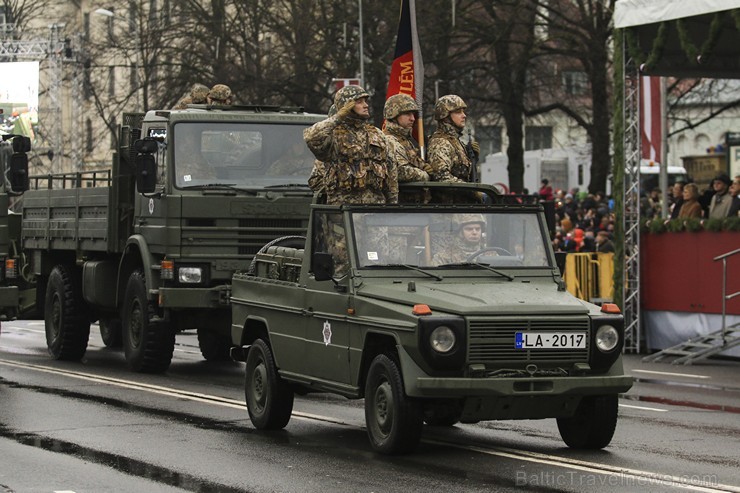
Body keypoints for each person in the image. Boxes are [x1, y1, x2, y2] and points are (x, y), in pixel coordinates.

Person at [303, 84, 397, 205]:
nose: (366, 105)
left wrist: (392, 206)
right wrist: (338, 117)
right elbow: (311, 137)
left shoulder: (377, 135)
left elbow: (391, 174)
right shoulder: (334, 135)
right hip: (344, 211)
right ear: (346, 106)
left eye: (365, 101)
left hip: (375, 210)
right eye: (359, 102)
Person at [382, 94, 430, 183]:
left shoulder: (405, 140)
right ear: (394, 115)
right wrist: (425, 175)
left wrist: (424, 166)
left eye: (413, 114)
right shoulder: (389, 140)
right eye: (407, 114)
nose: (412, 118)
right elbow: (399, 171)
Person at [427, 95, 474, 183]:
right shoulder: (440, 143)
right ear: (445, 116)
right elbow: (441, 177)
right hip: (449, 196)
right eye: (458, 112)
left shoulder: (454, 141)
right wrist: (472, 191)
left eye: (463, 112)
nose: (464, 115)